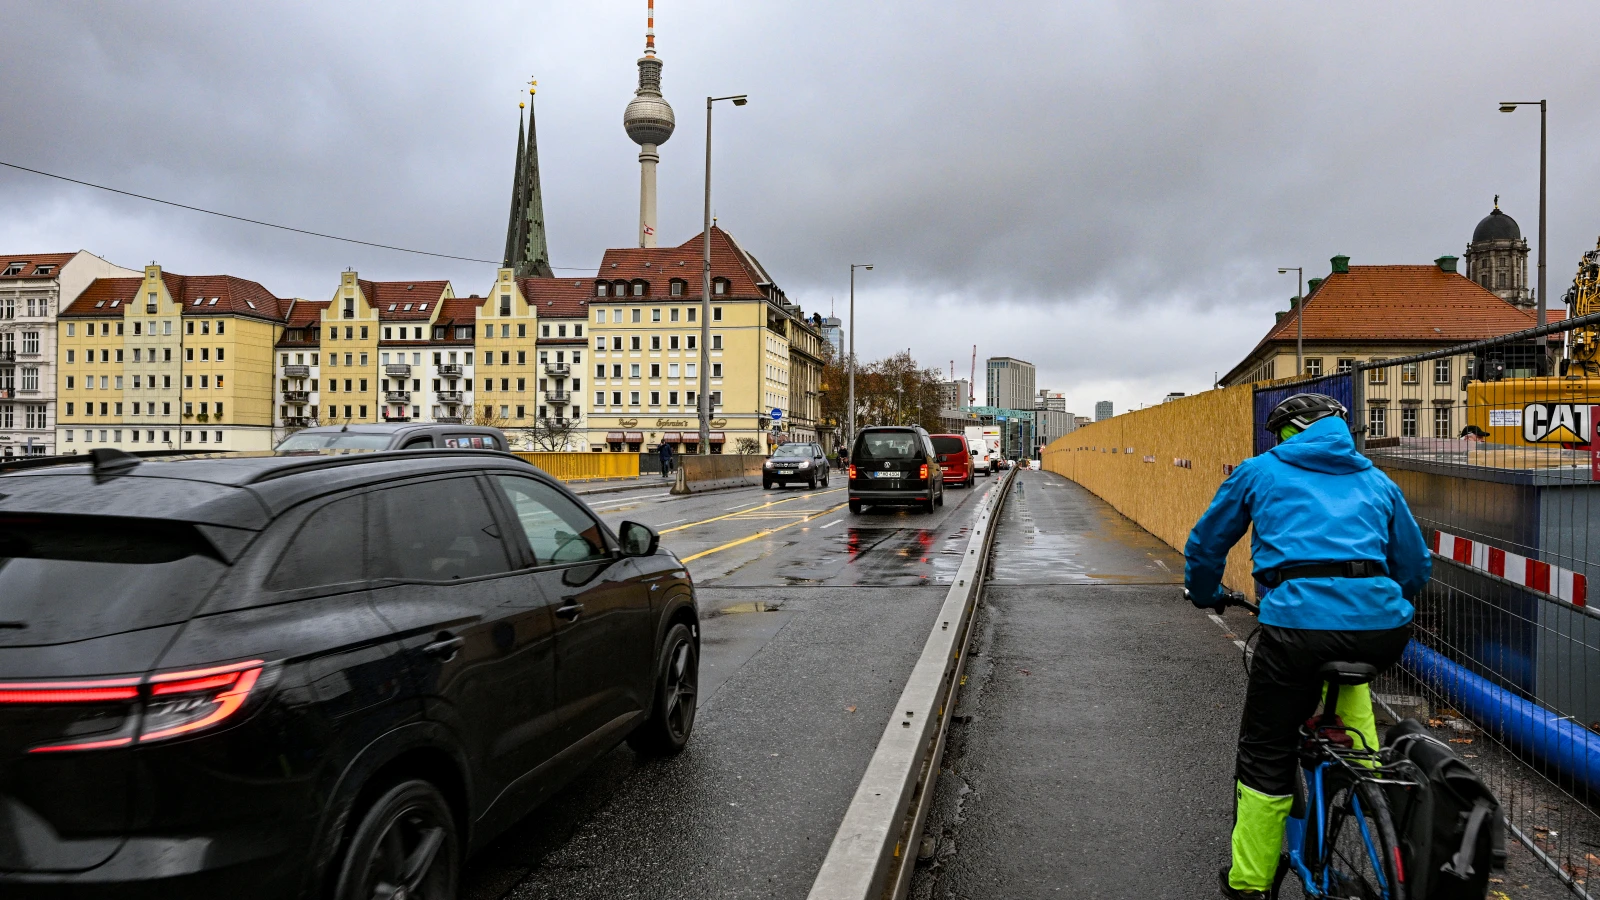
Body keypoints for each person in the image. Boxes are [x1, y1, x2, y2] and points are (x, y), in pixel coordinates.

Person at [1184, 393, 1431, 899]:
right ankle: (1366, 791)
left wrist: (1206, 593)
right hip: (1381, 630)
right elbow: (1414, 565)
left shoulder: (1259, 472)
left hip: (1295, 629)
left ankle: (1250, 881)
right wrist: (1370, 605)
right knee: (1351, 683)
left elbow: (1207, 545)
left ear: (1289, 432)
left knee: (1266, 751)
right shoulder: (1376, 480)